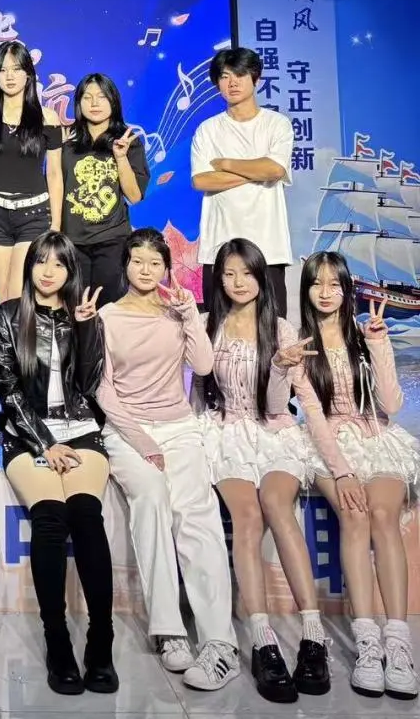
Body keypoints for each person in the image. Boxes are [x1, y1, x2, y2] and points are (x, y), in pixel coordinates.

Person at [96, 228, 240, 691]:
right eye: (137, 261)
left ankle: (220, 643)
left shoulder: (177, 311)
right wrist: (142, 441)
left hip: (179, 426)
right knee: (153, 497)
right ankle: (169, 630)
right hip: (127, 431)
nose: (145, 269)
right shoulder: (106, 317)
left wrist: (189, 315)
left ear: (166, 268)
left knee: (196, 513)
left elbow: (203, 366)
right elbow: (103, 390)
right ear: (125, 265)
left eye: (154, 262)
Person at [191, 239, 330, 703]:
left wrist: (278, 367)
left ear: (261, 278)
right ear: (219, 279)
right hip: (226, 432)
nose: (238, 282)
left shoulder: (282, 328)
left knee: (276, 505)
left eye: (247, 273)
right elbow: (199, 394)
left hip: (273, 431)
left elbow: (275, 407)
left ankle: (313, 637)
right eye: (229, 274)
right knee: (247, 518)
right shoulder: (208, 325)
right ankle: (263, 641)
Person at [0, 231, 116, 695]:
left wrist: (85, 328)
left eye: (59, 264)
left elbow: (90, 382)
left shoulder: (83, 314)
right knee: (50, 519)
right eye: (41, 261)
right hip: (28, 433)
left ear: (70, 271)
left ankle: (101, 641)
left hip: (80, 428)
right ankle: (57, 640)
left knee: (85, 515)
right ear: (30, 266)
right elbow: (7, 389)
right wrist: (43, 443)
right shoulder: (9, 316)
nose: (48, 271)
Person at [294, 252, 419, 700]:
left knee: (383, 516)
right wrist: (343, 472)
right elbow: (314, 416)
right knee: (354, 516)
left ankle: (398, 644)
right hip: (326, 443)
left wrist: (380, 345)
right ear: (306, 290)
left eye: (335, 284)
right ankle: (367, 643)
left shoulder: (366, 337)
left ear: (347, 290)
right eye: (317, 283)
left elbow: (391, 405)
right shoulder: (300, 345)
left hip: (376, 435)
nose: (326, 292)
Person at [191, 48, 294, 313]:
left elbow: (274, 169)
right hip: (219, 247)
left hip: (268, 247)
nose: (232, 83)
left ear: (256, 78)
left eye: (240, 75)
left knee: (271, 328)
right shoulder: (207, 129)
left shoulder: (277, 124)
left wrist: (226, 164)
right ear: (217, 83)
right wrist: (255, 170)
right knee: (218, 328)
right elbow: (201, 181)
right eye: (225, 76)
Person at [0, 41, 64, 303]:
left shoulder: (48, 119)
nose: (10, 76)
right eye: (3, 70)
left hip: (34, 215)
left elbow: (55, 175)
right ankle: (4, 334)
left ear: (28, 74)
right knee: (3, 298)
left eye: (16, 69)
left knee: (19, 294)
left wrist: (55, 225)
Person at [61, 73, 150, 306]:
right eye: (87, 97)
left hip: (112, 241)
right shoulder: (67, 144)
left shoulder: (128, 142)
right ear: (78, 103)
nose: (94, 103)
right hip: (72, 242)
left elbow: (134, 196)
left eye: (101, 97)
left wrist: (120, 157)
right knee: (76, 311)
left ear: (113, 101)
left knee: (109, 312)